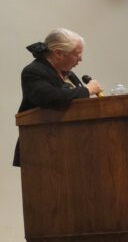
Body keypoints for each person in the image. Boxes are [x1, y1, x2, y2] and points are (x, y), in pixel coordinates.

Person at [14, 28, 102, 167]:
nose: (80, 59)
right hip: (41, 146)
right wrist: (87, 90)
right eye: (77, 54)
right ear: (58, 53)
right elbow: (51, 97)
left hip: (70, 145)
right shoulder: (34, 71)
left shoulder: (69, 75)